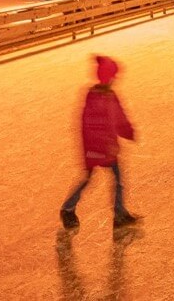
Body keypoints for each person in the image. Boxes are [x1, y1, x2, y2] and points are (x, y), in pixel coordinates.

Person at [60, 55, 139, 230]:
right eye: (113, 78)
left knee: (117, 180)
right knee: (88, 180)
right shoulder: (93, 99)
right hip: (96, 149)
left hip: (109, 149)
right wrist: (101, 147)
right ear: (108, 78)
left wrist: (128, 131)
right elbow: (89, 128)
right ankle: (67, 209)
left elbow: (119, 116)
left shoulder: (111, 96)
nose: (114, 81)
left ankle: (119, 214)